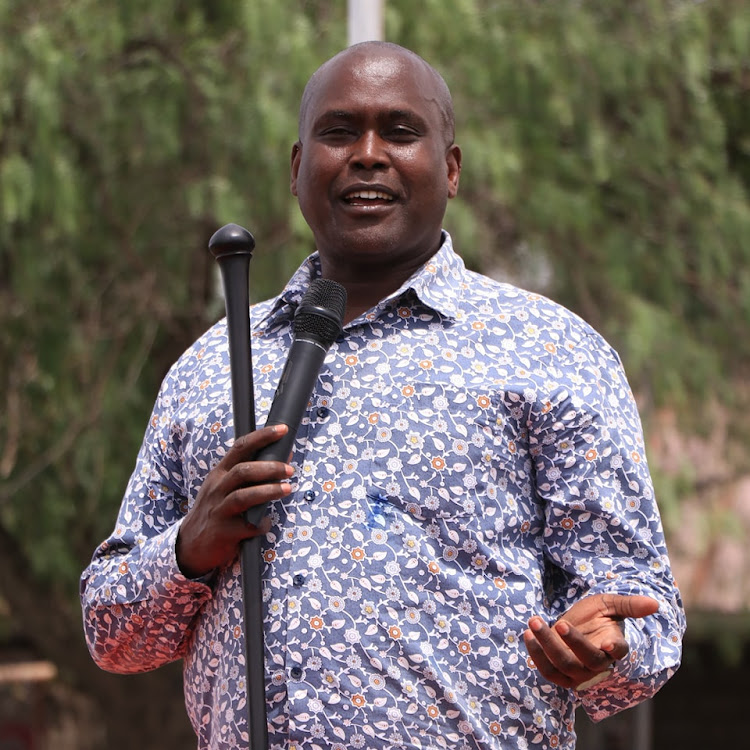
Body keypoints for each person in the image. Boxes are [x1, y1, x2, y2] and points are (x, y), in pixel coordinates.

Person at [81, 41, 685, 749]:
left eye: (399, 131)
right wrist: (188, 550)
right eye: (338, 133)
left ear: (451, 168)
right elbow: (112, 634)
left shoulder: (552, 353)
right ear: (298, 167)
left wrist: (603, 655)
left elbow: (645, 620)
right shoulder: (214, 364)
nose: (368, 154)